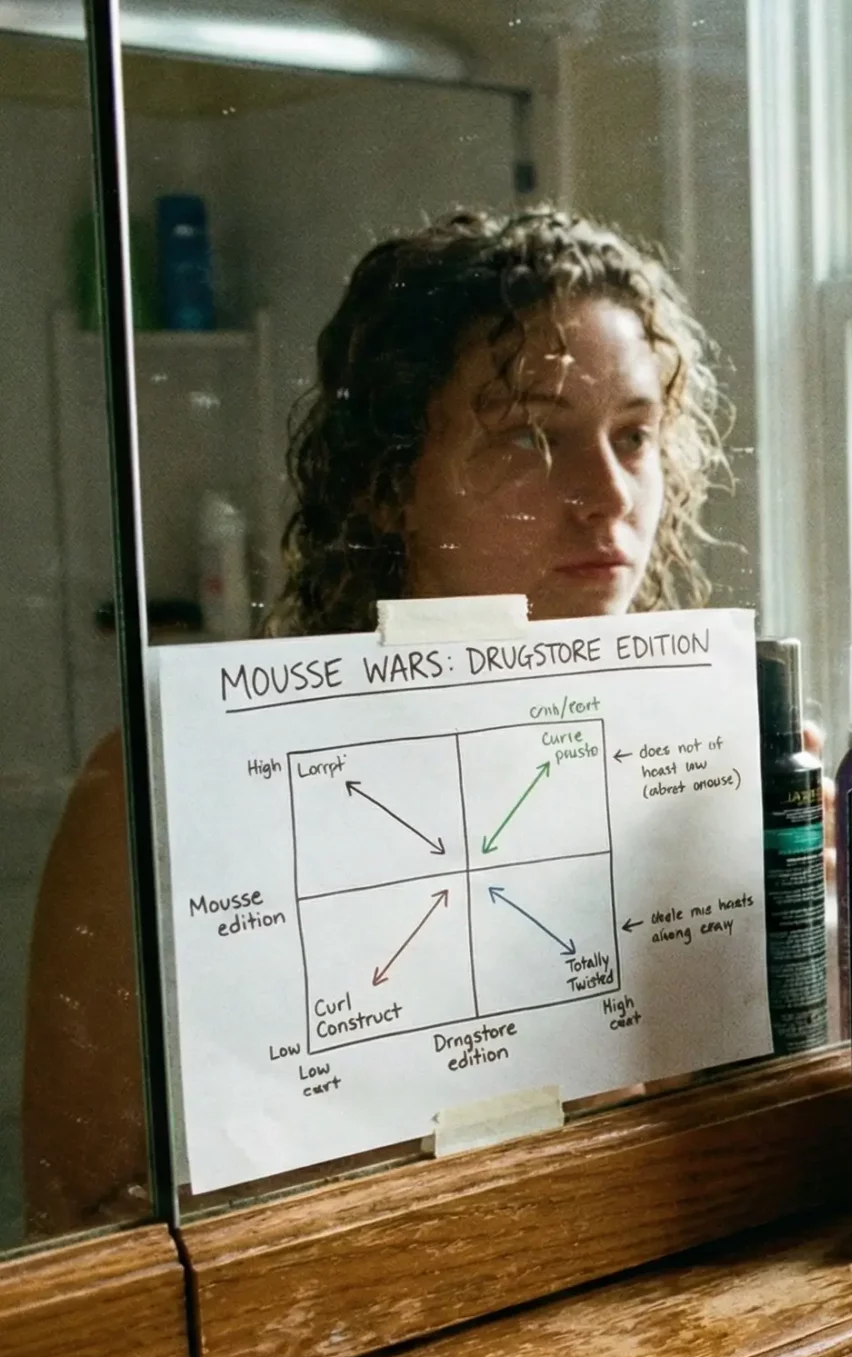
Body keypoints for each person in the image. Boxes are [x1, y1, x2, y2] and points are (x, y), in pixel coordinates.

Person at [21, 207, 729, 1235]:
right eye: (531, 435)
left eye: (635, 436)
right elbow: (77, 1232)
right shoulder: (168, 792)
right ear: (386, 482)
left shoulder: (693, 774)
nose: (608, 495)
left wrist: (800, 944)